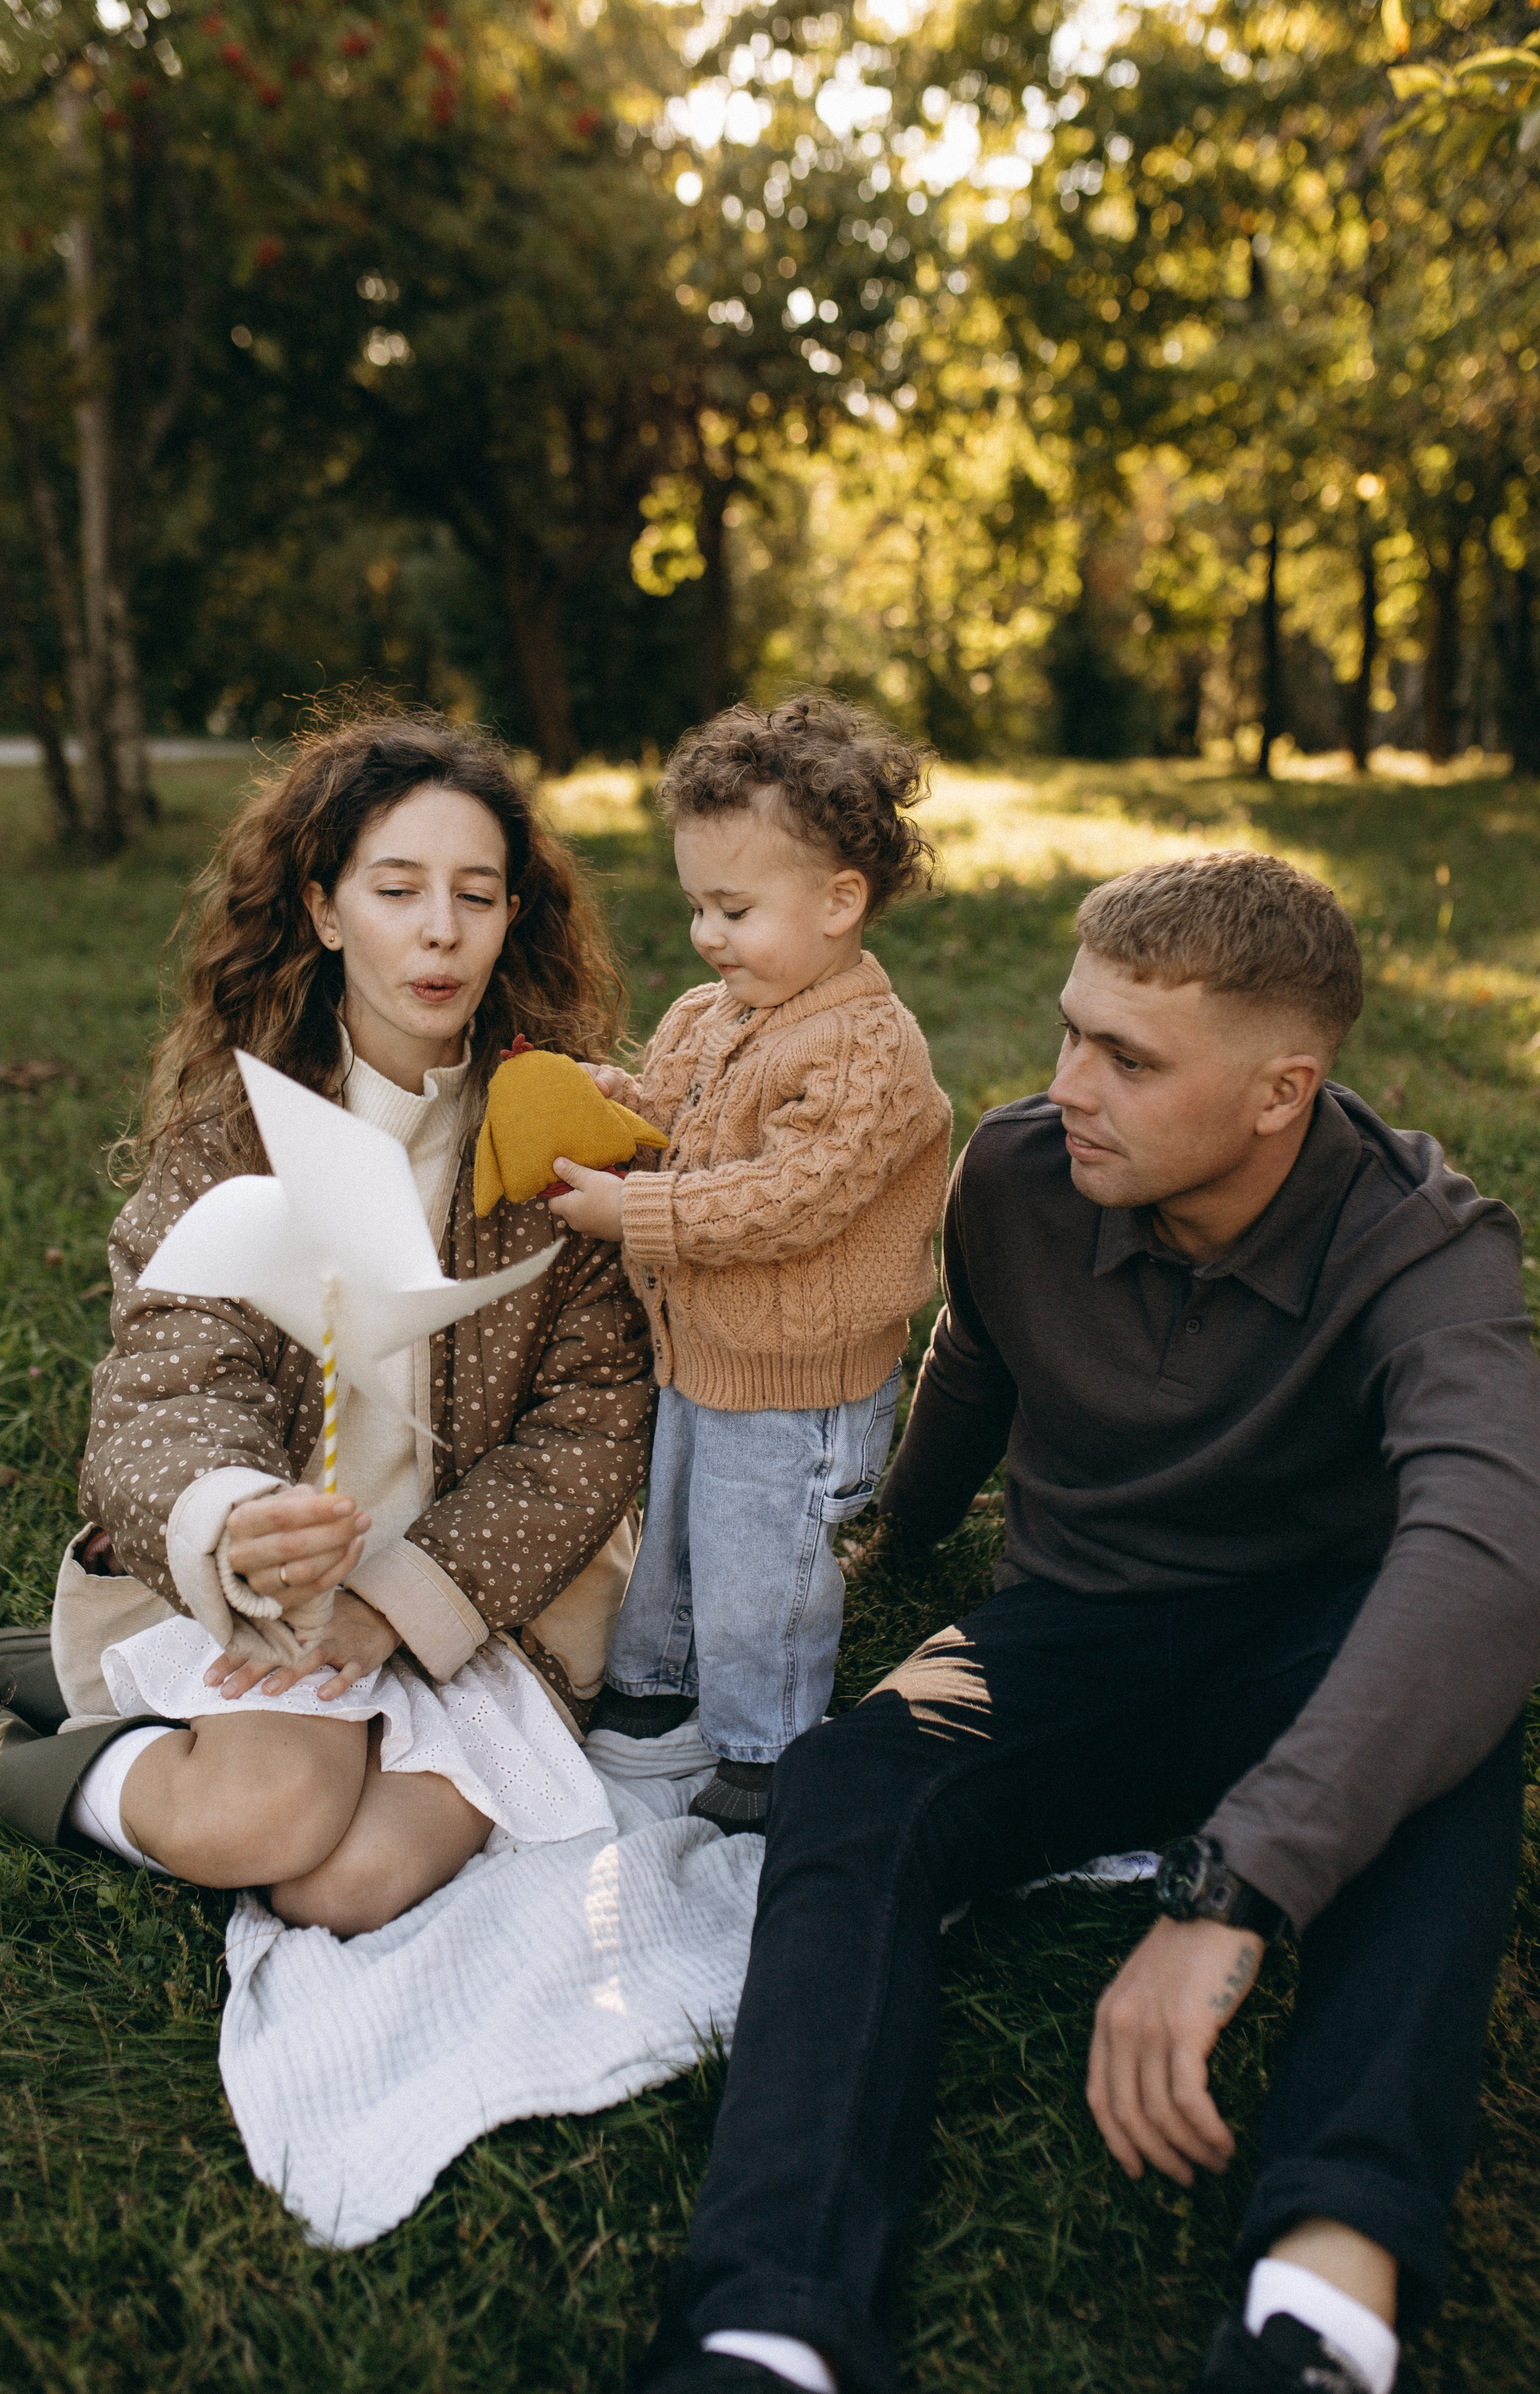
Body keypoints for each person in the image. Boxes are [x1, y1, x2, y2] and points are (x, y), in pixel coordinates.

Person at [627, 849, 1540, 2394]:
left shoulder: (1425, 1244)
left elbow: (1487, 1559)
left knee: (1453, 1739)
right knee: (847, 1781)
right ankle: (767, 2324)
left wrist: (1231, 1890)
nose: (1068, 1087)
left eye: (1128, 1059)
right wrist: (902, 1531)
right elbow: (974, 1365)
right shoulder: (1017, 1171)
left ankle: (1321, 2306)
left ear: (1280, 1091)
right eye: (1069, 1032)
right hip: (1067, 1632)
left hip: (1313, 1649)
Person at [0, 713, 653, 1931]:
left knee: (345, 1885)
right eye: (397, 889)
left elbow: (593, 1423)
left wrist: (401, 1603)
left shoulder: (558, 1139)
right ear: (325, 910)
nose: (440, 930)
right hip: (282, 1596)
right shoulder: (234, 1143)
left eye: (476, 896)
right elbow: (168, 1390)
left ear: (512, 918)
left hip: (484, 1591)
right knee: (261, 1819)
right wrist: (235, 1520)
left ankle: (69, 1680)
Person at [546, 695, 952, 1834]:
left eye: (734, 909)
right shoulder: (711, 1011)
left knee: (762, 1565)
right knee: (678, 1526)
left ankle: (767, 1747)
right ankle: (655, 1685)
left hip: (800, 1380)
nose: (708, 936)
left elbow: (791, 1197)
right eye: (697, 907)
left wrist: (633, 1211)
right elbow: (678, 1116)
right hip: (703, 1348)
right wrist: (622, 1106)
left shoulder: (866, 1047)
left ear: (840, 903)